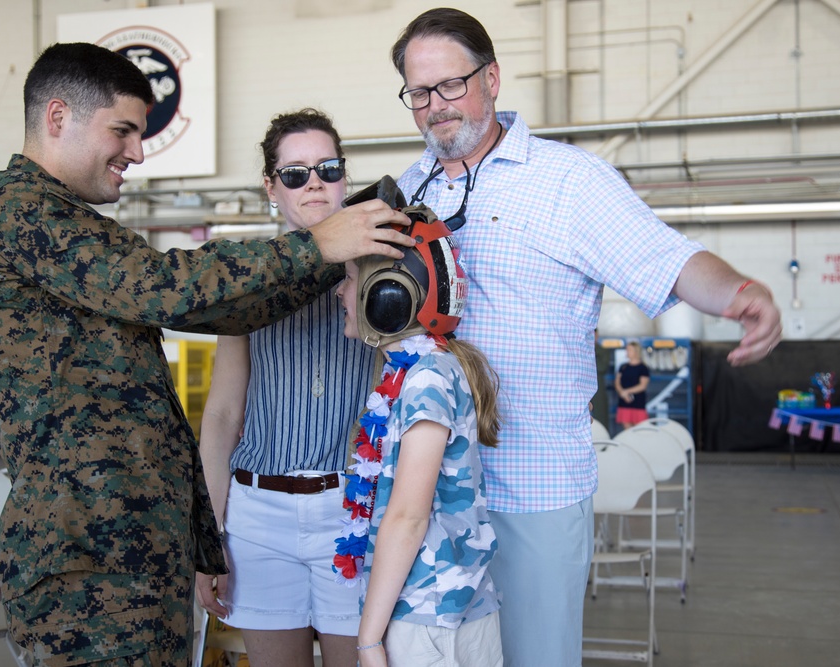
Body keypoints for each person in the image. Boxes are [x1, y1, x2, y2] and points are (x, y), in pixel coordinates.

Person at [0, 43, 413, 667]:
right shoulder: (17, 213)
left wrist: (343, 262)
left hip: (125, 550)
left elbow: (220, 309)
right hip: (88, 557)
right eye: (124, 130)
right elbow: (167, 289)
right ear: (57, 117)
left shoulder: (67, 222)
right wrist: (317, 248)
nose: (137, 152)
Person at [388, 9, 783, 666]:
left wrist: (741, 294)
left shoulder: (571, 180)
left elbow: (667, 258)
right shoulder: (407, 189)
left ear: (491, 78)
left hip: (531, 483)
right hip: (429, 492)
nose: (436, 107)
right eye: (419, 93)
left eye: (450, 85)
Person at [194, 108, 377, 667]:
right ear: (272, 187)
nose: (314, 182)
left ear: (345, 176)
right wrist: (208, 537)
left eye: (327, 167)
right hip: (257, 518)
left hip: (354, 510)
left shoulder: (380, 267)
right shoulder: (248, 278)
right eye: (294, 173)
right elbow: (224, 414)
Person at [335, 201, 503, 667]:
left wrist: (368, 638)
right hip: (455, 609)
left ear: (387, 295)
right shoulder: (426, 371)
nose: (339, 293)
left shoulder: (426, 376)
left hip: (427, 619)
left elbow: (408, 516)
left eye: (349, 279)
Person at [615, 340, 651, 429]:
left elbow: (642, 386)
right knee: (627, 430)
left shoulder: (643, 368)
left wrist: (626, 391)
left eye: (629, 350)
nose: (627, 352)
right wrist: (622, 393)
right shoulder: (623, 367)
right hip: (624, 402)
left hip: (638, 403)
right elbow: (617, 382)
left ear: (636, 352)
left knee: (639, 430)